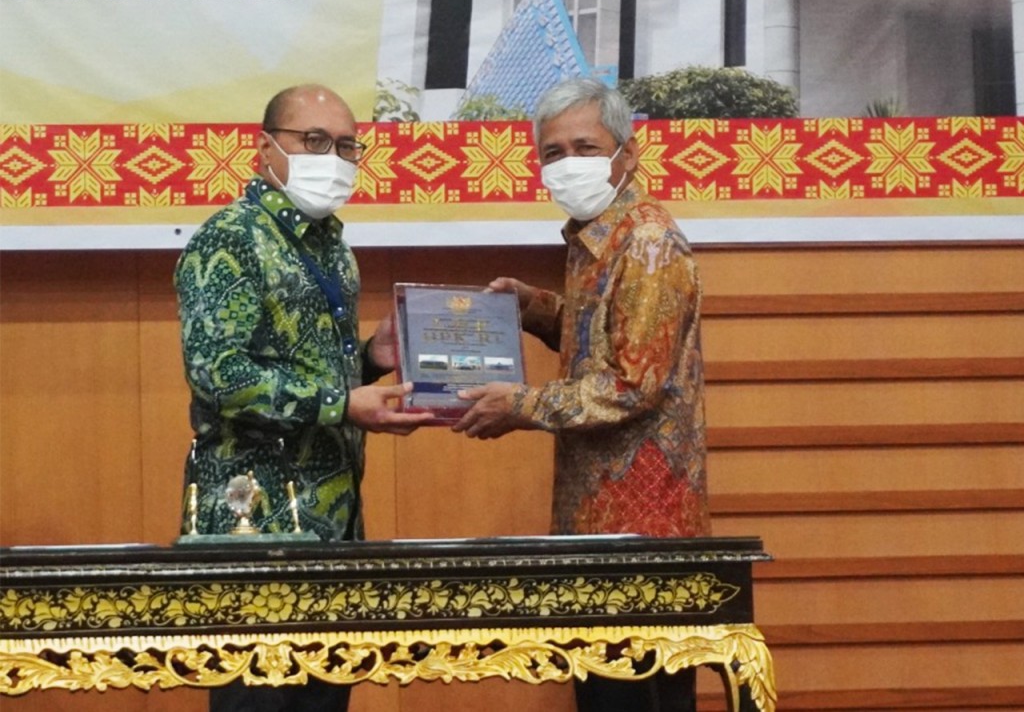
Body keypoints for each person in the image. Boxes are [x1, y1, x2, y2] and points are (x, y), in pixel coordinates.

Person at [452, 77, 710, 712]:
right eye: (554, 152)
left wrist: (520, 405)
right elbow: (606, 333)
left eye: (585, 147)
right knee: (605, 692)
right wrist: (534, 307)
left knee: (635, 700)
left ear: (628, 153)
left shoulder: (647, 242)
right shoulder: (597, 237)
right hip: (599, 520)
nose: (568, 164)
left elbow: (631, 384)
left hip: (641, 529)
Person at [174, 84, 432, 712]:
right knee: (256, 699)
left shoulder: (332, 247)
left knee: (323, 698)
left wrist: (372, 357)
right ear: (266, 149)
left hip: (333, 519)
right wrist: (344, 404)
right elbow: (220, 375)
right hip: (253, 521)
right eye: (313, 141)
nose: (332, 158)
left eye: (346, 146)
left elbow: (308, 368)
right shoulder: (231, 238)